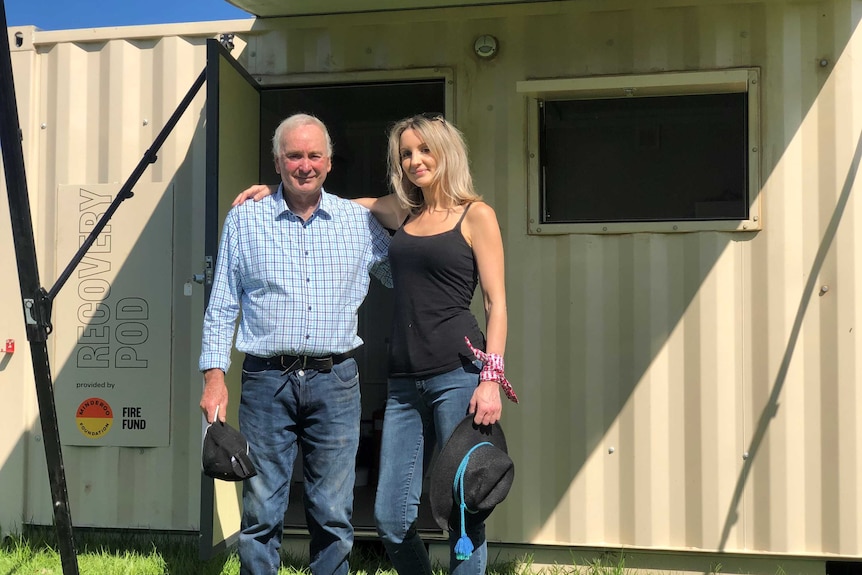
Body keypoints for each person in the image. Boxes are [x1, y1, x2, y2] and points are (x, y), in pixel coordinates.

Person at [235, 113, 518, 575]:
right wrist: (277, 193)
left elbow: (496, 302)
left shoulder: (476, 215)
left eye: (424, 149)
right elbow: (337, 202)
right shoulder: (403, 212)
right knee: (390, 518)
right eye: (406, 153)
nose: (414, 160)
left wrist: (491, 376)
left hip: (459, 374)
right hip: (404, 383)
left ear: (446, 151)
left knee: (463, 508)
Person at [199, 113, 392, 575]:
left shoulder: (358, 223)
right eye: (293, 155)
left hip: (337, 380)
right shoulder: (245, 220)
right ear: (277, 160)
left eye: (313, 155)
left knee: (333, 511)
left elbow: (405, 273)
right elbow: (223, 303)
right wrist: (214, 378)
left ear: (328, 162)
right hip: (267, 380)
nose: (304, 165)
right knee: (262, 509)